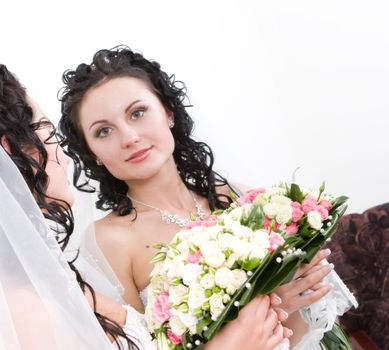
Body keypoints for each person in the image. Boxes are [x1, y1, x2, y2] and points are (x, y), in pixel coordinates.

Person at [0, 61, 290, 350]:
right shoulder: (25, 310)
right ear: (17, 151)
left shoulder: (45, 283)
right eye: (48, 134)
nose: (64, 155)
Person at [58, 46, 357, 348]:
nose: (129, 138)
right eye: (103, 131)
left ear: (168, 113)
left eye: (138, 113)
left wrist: (286, 302)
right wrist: (269, 307)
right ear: (92, 154)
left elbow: (311, 321)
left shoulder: (238, 196)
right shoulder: (108, 241)